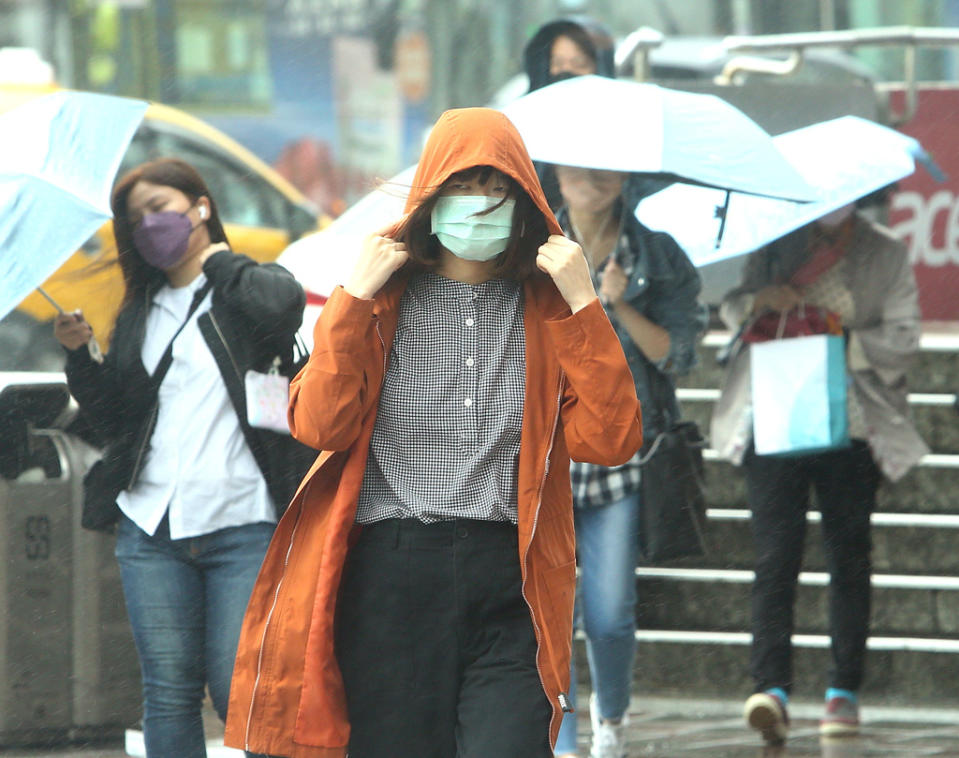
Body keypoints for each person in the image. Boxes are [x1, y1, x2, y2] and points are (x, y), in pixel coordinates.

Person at [222, 107, 644, 758]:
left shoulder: (547, 305)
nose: (479, 207)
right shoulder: (382, 296)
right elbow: (318, 423)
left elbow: (609, 438)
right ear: (429, 198)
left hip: (512, 579)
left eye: (497, 190)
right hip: (392, 576)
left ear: (524, 203)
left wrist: (584, 304)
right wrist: (353, 299)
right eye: (462, 188)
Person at [54, 157, 307, 758]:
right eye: (136, 218)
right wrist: (82, 357)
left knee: (239, 689)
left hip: (242, 522)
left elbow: (284, 306)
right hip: (151, 526)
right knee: (167, 691)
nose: (149, 225)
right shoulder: (141, 309)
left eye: (160, 207)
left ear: (199, 205)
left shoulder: (241, 288)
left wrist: (216, 252)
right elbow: (117, 420)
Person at [711, 204, 928, 748]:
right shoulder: (775, 242)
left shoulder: (885, 251)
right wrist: (765, 299)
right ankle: (771, 690)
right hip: (774, 416)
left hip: (853, 423)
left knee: (849, 554)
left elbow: (905, 338)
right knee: (774, 556)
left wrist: (844, 338)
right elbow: (734, 309)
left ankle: (843, 690)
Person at [551, 165, 708, 758]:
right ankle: (561, 739)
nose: (592, 178)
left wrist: (617, 305)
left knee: (610, 613)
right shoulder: (532, 251)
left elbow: (680, 356)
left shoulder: (658, 255)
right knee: (553, 616)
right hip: (547, 457)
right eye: (578, 166)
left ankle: (610, 717)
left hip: (622, 454)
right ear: (556, 176)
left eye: (606, 168)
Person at [522, 17, 615, 209]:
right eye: (558, 63)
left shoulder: (619, 125)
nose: (566, 71)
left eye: (578, 63)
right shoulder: (523, 124)